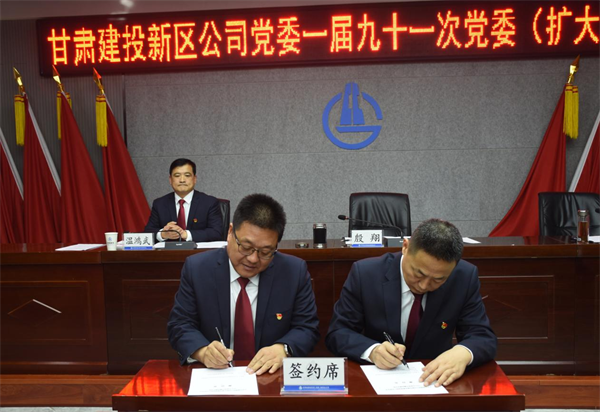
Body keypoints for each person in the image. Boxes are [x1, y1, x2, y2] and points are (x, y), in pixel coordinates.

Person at [326, 218, 496, 387]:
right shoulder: (366, 274)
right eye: (418, 274)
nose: (424, 286)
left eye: (438, 279)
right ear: (405, 247)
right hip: (376, 383)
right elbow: (338, 332)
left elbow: (482, 335)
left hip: (435, 383)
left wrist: (463, 353)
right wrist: (372, 351)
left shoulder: (464, 277)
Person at [167, 193, 319, 375]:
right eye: (246, 247)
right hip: (216, 376)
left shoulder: (293, 271)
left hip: (271, 376)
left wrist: (283, 349)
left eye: (265, 252)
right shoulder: (198, 269)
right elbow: (180, 324)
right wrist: (203, 352)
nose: (253, 259)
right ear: (230, 232)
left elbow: (307, 328)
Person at [144, 158, 222, 242]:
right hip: (169, 250)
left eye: (187, 175)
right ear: (170, 180)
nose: (182, 180)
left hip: (198, 249)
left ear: (194, 179)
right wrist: (163, 234)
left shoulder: (209, 202)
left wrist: (186, 234)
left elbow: (216, 233)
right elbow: (148, 232)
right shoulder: (159, 204)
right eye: (177, 176)